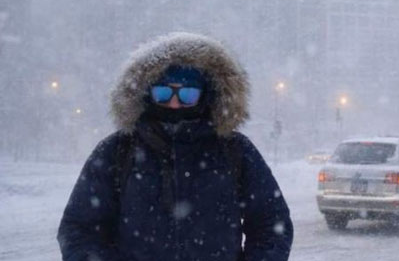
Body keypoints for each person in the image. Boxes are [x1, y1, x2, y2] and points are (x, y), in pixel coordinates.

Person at [58, 32, 293, 261]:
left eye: (187, 94)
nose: (173, 103)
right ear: (147, 92)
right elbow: (79, 230)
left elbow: (272, 224)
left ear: (206, 95)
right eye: (163, 92)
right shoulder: (117, 151)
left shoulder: (235, 151)